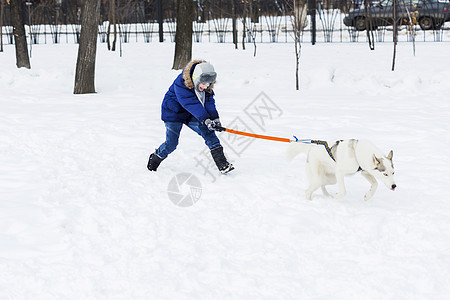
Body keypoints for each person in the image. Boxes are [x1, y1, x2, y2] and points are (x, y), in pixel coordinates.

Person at [147, 59, 234, 174]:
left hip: (191, 113)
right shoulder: (182, 82)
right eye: (203, 83)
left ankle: (223, 165)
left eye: (209, 84)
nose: (206, 86)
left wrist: (215, 119)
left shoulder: (206, 86)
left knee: (208, 132)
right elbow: (190, 103)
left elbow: (209, 102)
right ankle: (155, 157)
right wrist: (206, 119)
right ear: (196, 78)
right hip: (173, 113)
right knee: (172, 144)